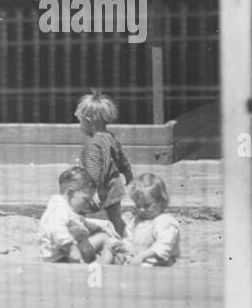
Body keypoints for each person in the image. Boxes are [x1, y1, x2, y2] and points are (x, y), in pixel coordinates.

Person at [76, 91, 134, 237]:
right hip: (114, 186)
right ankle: (127, 238)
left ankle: (82, 237)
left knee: (76, 212)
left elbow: (93, 171)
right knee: (115, 218)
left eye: (80, 121)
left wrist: (92, 192)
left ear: (88, 121)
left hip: (99, 190)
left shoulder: (92, 144)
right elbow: (122, 158)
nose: (80, 125)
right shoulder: (110, 137)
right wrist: (128, 174)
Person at [38, 167, 119, 264]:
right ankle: (99, 270)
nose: (88, 204)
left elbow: (82, 221)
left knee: (103, 236)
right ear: (70, 193)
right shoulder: (59, 209)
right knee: (104, 239)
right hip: (60, 259)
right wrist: (71, 249)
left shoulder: (66, 208)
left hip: (66, 255)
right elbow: (57, 229)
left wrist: (103, 225)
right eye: (85, 200)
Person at [120, 173, 180, 266]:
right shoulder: (135, 221)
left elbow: (163, 245)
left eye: (147, 205)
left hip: (159, 264)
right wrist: (125, 250)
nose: (141, 209)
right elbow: (128, 240)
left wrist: (142, 256)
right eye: (138, 205)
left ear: (161, 202)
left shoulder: (165, 222)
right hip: (136, 261)